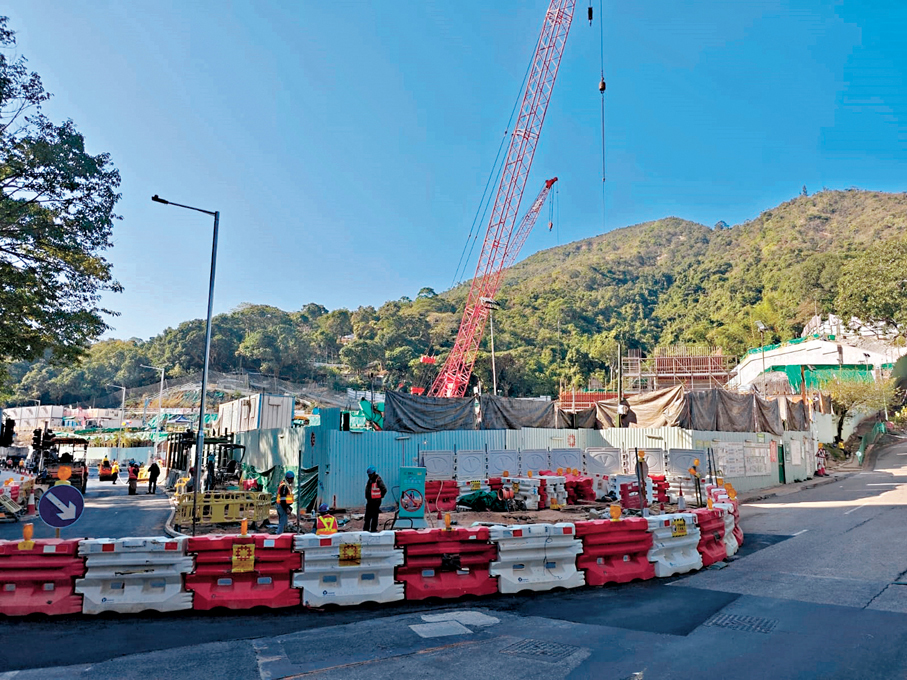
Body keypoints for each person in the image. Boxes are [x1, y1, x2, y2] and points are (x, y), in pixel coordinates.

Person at [363, 466, 386, 533]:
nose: (369, 476)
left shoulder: (378, 480)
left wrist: (380, 496)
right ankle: (366, 529)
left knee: (374, 516)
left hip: (376, 501)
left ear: (373, 473)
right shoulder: (370, 480)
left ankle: (373, 529)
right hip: (370, 501)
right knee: (367, 516)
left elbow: (384, 489)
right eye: (368, 475)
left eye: (370, 475)